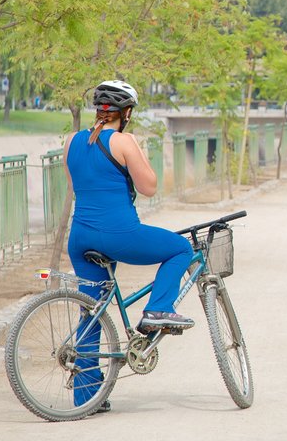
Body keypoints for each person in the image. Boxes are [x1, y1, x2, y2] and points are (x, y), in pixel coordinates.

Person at [63, 80, 195, 408]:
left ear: (98, 111)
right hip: (118, 233)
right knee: (181, 248)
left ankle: (87, 396)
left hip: (80, 237)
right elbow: (149, 186)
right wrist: (135, 147)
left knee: (92, 309)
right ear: (127, 113)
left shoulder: (72, 141)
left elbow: (76, 185)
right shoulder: (123, 141)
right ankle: (159, 309)